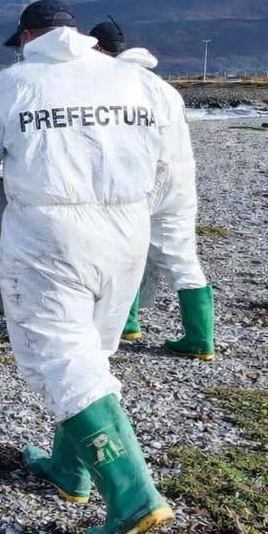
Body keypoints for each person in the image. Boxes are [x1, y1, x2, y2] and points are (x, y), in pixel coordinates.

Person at [0, 0, 176, 534]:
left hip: (51, 234)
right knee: (91, 353)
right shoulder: (138, 83)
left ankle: (132, 497)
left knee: (61, 360)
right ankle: (68, 470)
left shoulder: (16, 82)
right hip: (128, 230)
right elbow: (167, 164)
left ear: (28, 36)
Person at [88, 19, 215, 359]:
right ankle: (200, 338)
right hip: (180, 178)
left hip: (141, 177)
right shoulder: (164, 88)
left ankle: (124, 323)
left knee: (123, 250)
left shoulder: (113, 84)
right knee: (181, 255)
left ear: (96, 48)